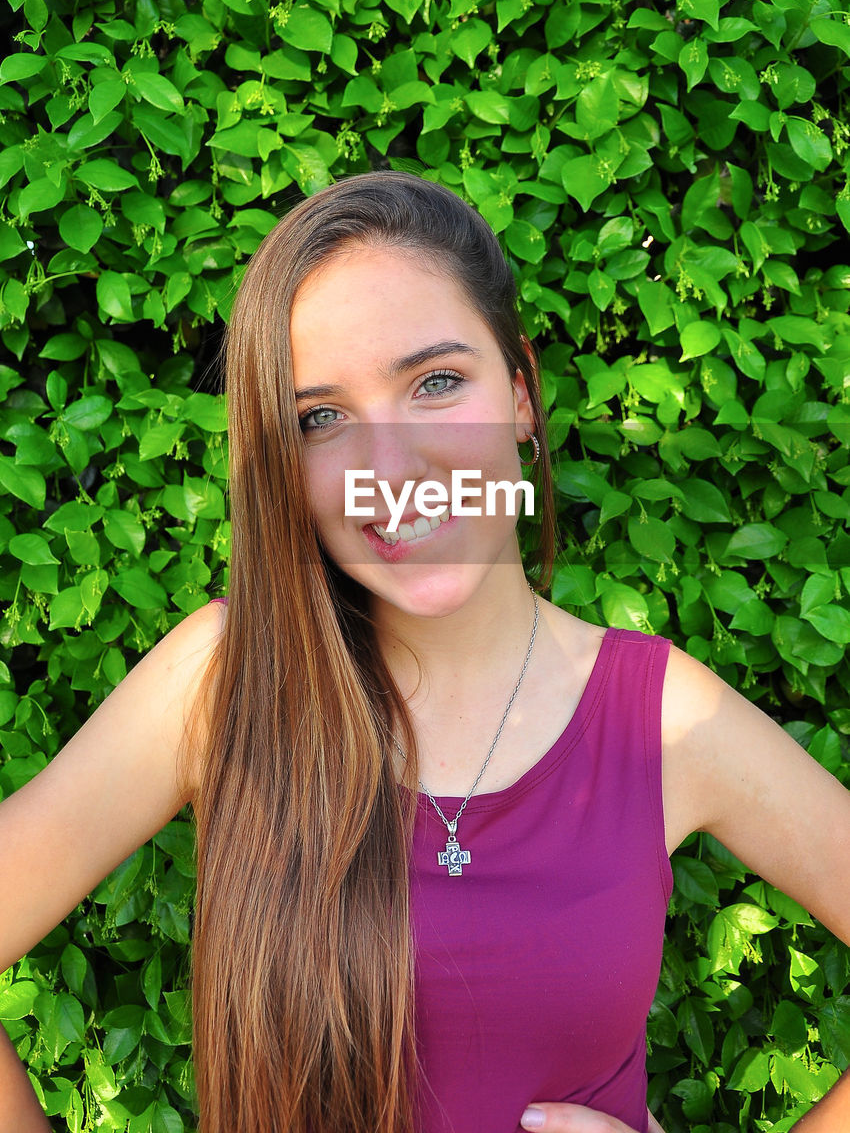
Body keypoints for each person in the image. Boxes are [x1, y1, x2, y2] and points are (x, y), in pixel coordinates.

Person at [2, 171, 850, 1133]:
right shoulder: (225, 682)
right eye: (321, 417)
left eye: (436, 383)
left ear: (522, 394)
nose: (389, 468)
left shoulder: (661, 718)